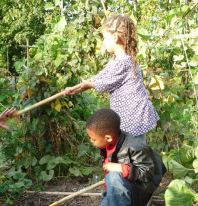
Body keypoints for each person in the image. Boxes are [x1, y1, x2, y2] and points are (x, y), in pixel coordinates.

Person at [63, 14, 159, 144]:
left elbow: (103, 84)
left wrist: (88, 85)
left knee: (134, 152)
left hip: (134, 117)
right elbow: (99, 78)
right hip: (129, 116)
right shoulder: (117, 60)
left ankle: (133, 164)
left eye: (105, 38)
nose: (103, 42)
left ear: (115, 37)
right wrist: (75, 90)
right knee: (128, 151)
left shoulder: (124, 61)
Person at [85, 108, 166, 206]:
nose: (91, 141)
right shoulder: (106, 145)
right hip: (120, 193)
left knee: (113, 175)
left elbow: (147, 175)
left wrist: (121, 168)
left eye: (93, 139)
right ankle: (118, 204)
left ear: (108, 137)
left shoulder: (135, 147)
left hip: (137, 194)